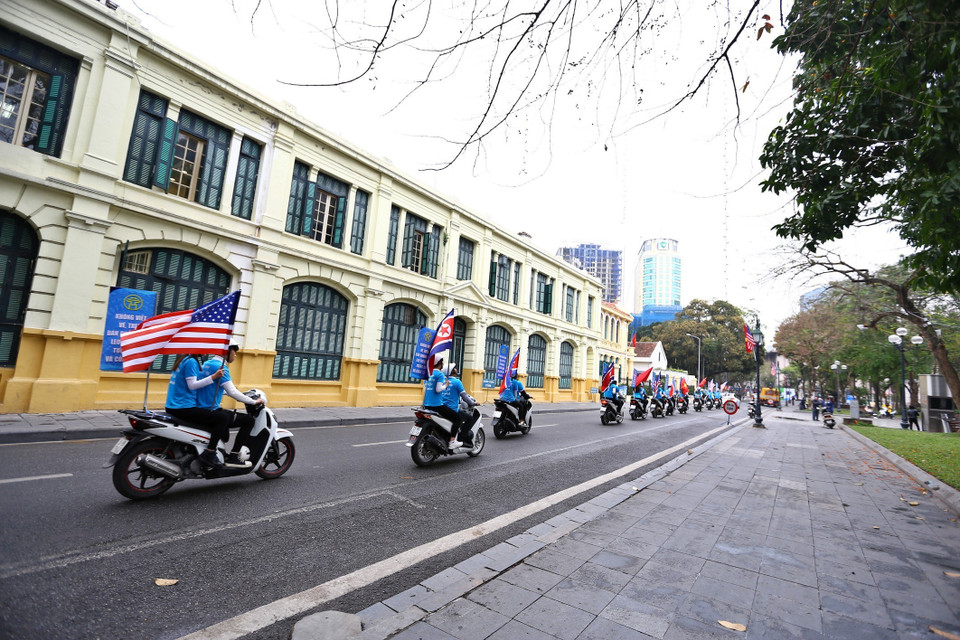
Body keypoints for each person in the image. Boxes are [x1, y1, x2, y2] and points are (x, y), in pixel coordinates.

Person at [198, 342, 265, 467]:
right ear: (227, 352)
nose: (235, 356)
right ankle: (234, 456)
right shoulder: (221, 366)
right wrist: (253, 401)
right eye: (235, 352)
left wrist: (228, 394)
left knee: (228, 421)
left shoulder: (206, 364)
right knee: (248, 420)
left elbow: (212, 387)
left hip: (201, 408)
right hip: (211, 409)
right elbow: (233, 391)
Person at [165, 353, 230, 468]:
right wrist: (214, 376)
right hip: (183, 407)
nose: (207, 351)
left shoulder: (184, 359)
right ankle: (209, 453)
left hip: (174, 405)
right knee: (222, 418)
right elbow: (192, 385)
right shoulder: (191, 362)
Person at [422, 359, 461, 449]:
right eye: (442, 362)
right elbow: (438, 389)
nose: (443, 364)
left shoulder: (429, 373)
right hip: (436, 405)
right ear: (439, 363)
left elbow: (425, 389)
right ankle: (452, 441)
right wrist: (446, 385)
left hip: (426, 404)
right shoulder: (439, 374)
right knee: (457, 418)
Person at [441, 362, 478, 446]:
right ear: (453, 371)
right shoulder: (457, 382)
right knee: (469, 419)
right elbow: (464, 396)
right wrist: (473, 403)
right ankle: (460, 439)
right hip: (452, 409)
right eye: (455, 368)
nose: (457, 369)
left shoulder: (442, 381)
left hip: (441, 408)